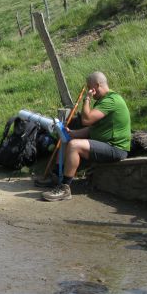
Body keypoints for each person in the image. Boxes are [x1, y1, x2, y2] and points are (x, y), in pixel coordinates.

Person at [40, 71, 131, 201]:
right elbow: (92, 128)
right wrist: (72, 133)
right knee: (68, 139)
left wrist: (87, 98)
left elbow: (86, 120)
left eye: (89, 87)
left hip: (115, 149)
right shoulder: (103, 101)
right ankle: (56, 177)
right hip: (104, 144)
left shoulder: (111, 100)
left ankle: (65, 189)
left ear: (97, 85)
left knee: (74, 146)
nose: (89, 90)